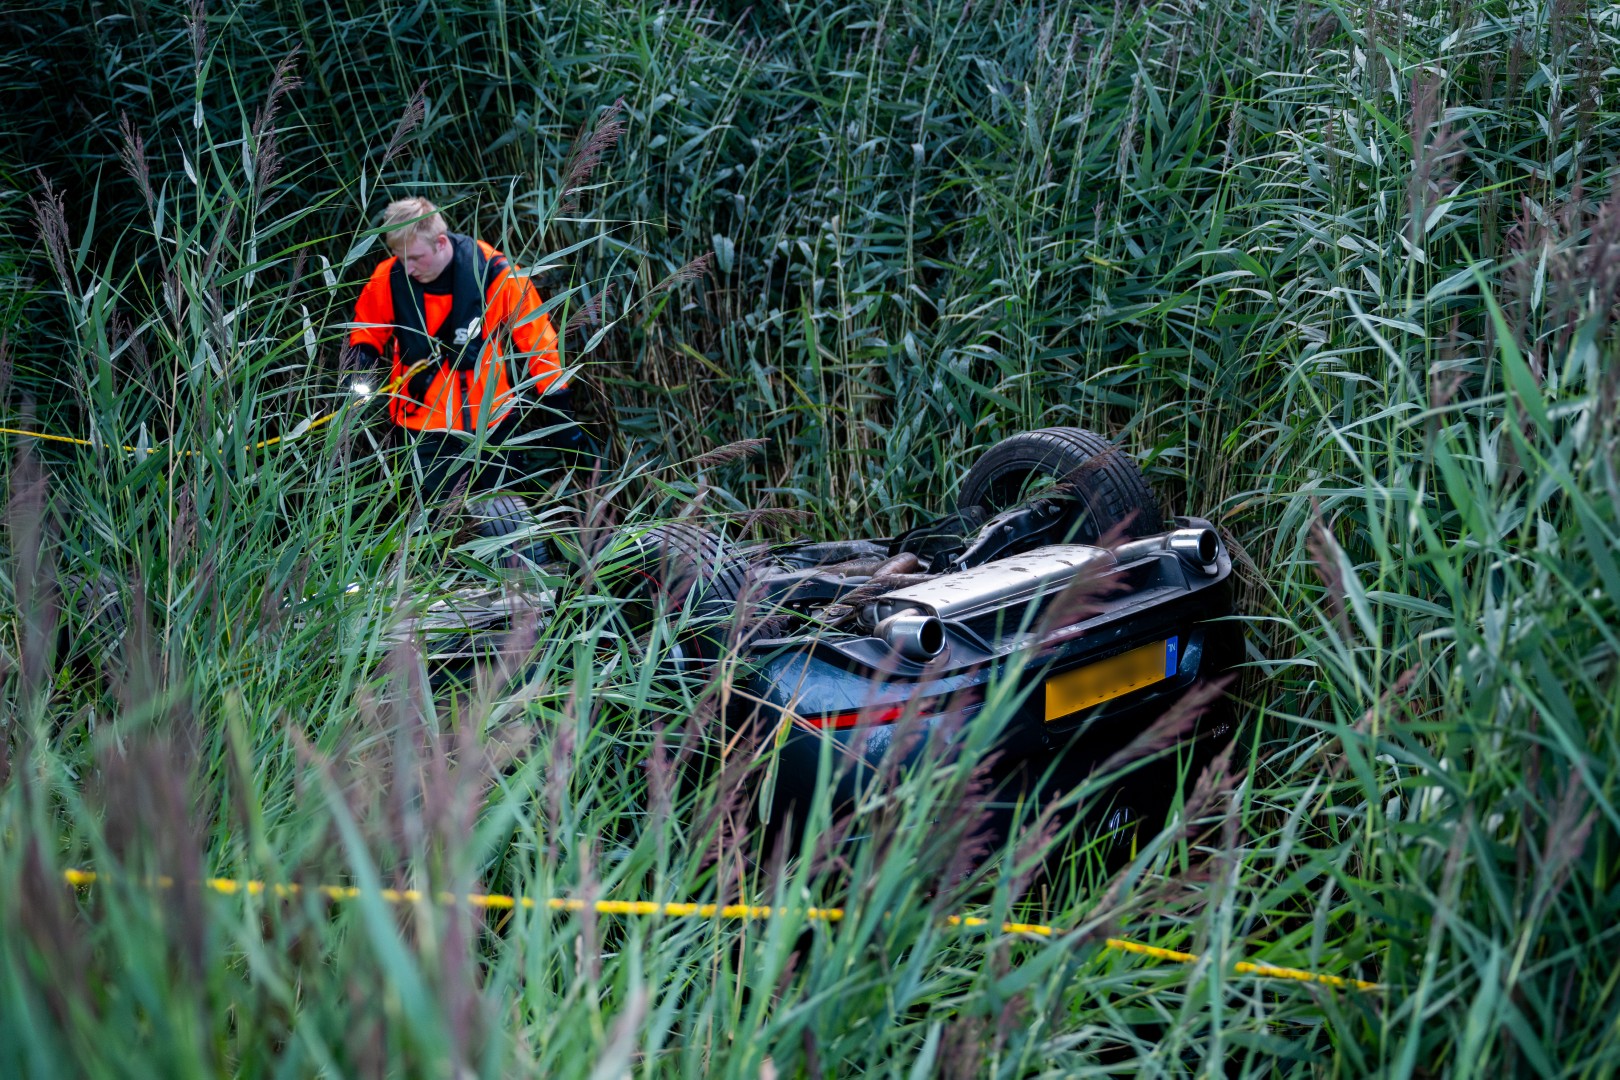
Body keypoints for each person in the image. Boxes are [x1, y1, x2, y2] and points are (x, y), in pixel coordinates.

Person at [343, 197, 586, 499]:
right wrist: (358, 373)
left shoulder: (494, 271)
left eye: (416, 257)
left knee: (504, 524)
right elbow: (366, 331)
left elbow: (540, 344)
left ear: (440, 242)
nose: (408, 268)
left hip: (492, 424)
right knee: (440, 531)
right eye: (401, 257)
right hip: (421, 429)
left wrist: (560, 414)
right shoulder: (388, 278)